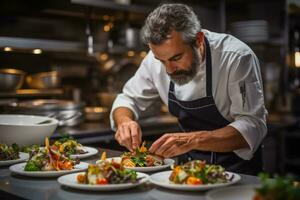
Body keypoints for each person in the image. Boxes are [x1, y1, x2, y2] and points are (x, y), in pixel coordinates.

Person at [110, 3, 268, 175]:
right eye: (162, 61)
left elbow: (253, 125)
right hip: (186, 172)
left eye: (176, 58)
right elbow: (128, 99)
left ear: (198, 40)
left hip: (237, 171)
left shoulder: (235, 57)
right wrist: (124, 121)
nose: (169, 69)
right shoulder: (155, 59)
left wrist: (194, 139)